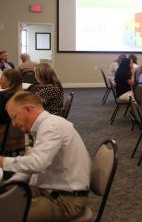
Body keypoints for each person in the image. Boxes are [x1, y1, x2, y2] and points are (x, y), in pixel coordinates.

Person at [0, 92, 91, 221]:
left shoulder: (51, 128)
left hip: (65, 201)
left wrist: (2, 161)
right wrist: (11, 184)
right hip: (51, 191)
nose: (13, 124)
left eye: (14, 117)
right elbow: (31, 166)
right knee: (5, 206)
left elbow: (37, 164)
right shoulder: (45, 126)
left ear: (28, 109)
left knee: (7, 216)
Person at [0, 70, 23, 141]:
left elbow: (2, 119)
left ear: (9, 81)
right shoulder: (25, 96)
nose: (0, 81)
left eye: (1, 79)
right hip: (22, 138)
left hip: (4, 137)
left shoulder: (2, 96)